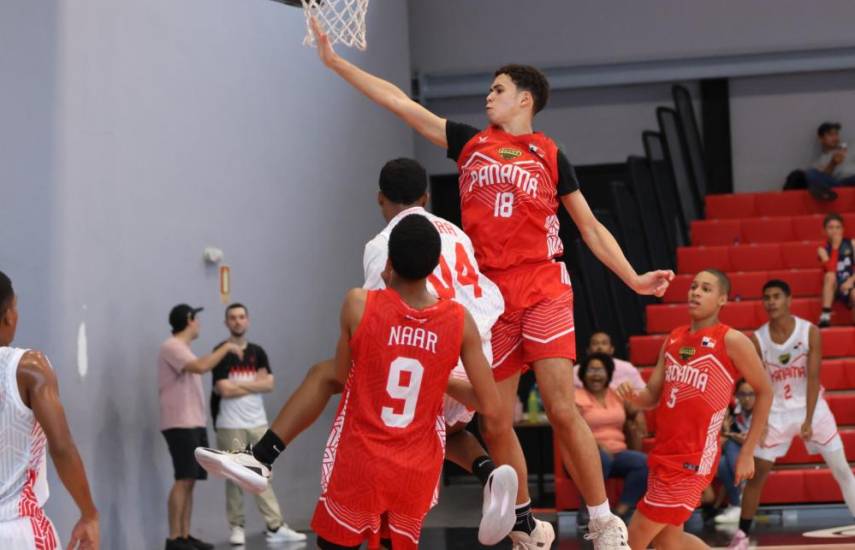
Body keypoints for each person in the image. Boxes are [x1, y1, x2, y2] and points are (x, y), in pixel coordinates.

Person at [307, 17, 675, 548]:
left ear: (524, 100)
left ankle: (602, 520)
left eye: (497, 89)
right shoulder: (470, 142)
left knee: (559, 405)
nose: (487, 97)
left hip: (545, 285)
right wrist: (336, 63)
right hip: (493, 296)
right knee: (495, 418)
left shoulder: (550, 154)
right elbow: (399, 103)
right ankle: (526, 523)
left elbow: (590, 228)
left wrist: (635, 280)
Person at [197, 158, 521, 547]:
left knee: (324, 374)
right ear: (426, 197)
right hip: (463, 355)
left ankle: (262, 455)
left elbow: (376, 328)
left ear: (380, 199)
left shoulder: (379, 253)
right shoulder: (455, 240)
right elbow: (491, 403)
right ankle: (487, 472)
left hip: (374, 442)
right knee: (444, 429)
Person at [617, 269, 772, 550]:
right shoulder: (673, 339)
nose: (696, 292)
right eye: (694, 287)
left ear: (722, 299)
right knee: (668, 542)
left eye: (706, 288)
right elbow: (652, 394)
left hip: (693, 458)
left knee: (633, 538)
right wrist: (634, 397)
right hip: (665, 454)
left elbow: (765, 391)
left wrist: (748, 452)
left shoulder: (731, 340)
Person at [728, 279, 855, 550]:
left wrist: (809, 419)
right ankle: (741, 535)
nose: (771, 302)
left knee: (842, 469)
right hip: (776, 412)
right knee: (757, 474)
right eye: (766, 297)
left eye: (776, 296)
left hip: (812, 408)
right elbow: (759, 383)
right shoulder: (758, 339)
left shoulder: (809, 331)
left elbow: (813, 378)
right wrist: (760, 423)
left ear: (789, 299)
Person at [0, 270, 99, 549]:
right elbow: (62, 446)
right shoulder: (28, 367)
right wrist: (88, 514)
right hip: (18, 529)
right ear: (9, 315)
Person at [210, 303, 306, 545]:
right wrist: (255, 382)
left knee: (263, 473)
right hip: (230, 423)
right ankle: (237, 527)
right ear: (226, 323)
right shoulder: (220, 351)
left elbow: (269, 384)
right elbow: (223, 388)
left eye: (241, 317)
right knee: (234, 476)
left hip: (258, 422)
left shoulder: (258, 352)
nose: (237, 321)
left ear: (248, 321)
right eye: (232, 318)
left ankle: (274, 526)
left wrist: (238, 386)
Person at [158, 304, 242, 550]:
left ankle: (185, 535)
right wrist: (226, 347)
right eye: (197, 319)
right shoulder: (171, 347)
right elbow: (201, 367)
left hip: (193, 422)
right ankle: (174, 538)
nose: (199, 324)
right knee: (183, 478)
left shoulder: (183, 349)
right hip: (179, 423)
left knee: (191, 478)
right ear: (189, 320)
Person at [575, 353, 648, 519]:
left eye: (600, 370)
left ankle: (620, 512)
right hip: (588, 452)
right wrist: (599, 446)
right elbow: (575, 430)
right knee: (602, 459)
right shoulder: (576, 397)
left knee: (645, 463)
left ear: (608, 373)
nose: (596, 374)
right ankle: (589, 513)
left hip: (619, 452)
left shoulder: (616, 394)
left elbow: (634, 410)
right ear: (583, 374)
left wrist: (636, 413)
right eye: (591, 370)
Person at [713, 379, 755, 524]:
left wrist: (729, 434)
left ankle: (738, 505)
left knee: (730, 445)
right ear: (736, 395)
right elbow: (724, 435)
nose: (747, 398)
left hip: (760, 453)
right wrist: (725, 429)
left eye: (751, 394)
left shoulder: (762, 411)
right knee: (723, 464)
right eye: (743, 394)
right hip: (738, 452)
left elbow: (751, 440)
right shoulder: (733, 410)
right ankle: (738, 505)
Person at [573, 331, 645, 392]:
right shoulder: (575, 371)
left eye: (604, 343)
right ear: (588, 350)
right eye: (595, 343)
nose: (599, 347)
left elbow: (642, 395)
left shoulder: (627, 368)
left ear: (612, 349)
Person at [817, 213, 855, 327]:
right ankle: (825, 315)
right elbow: (831, 269)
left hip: (848, 285)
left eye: (838, 227)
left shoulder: (852, 243)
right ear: (824, 231)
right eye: (830, 227)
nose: (834, 231)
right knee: (830, 276)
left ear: (843, 229)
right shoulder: (822, 249)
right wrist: (835, 247)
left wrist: (850, 281)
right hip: (831, 288)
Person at [806, 122, 855, 199]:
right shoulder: (819, 161)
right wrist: (833, 163)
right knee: (810, 174)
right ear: (821, 139)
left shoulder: (851, 147)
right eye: (830, 135)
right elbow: (823, 177)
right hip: (838, 184)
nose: (835, 138)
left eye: (836, 134)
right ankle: (827, 194)